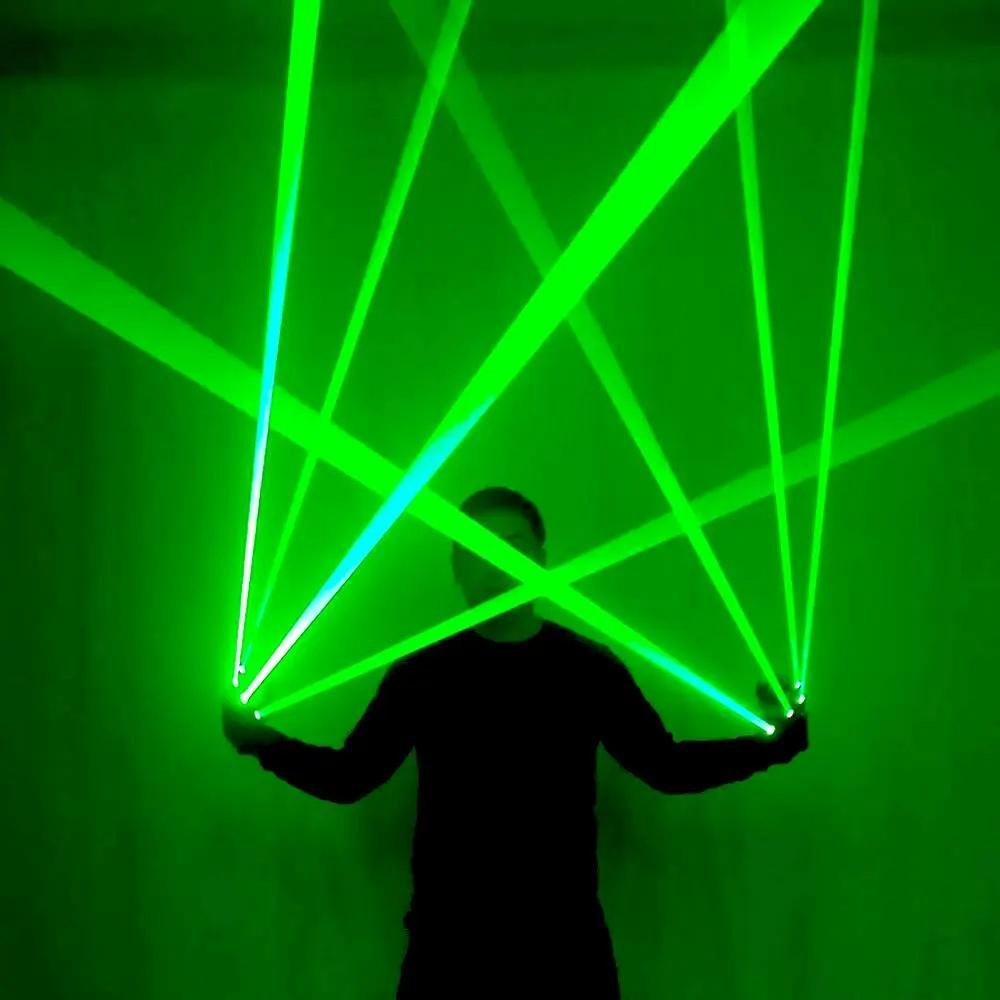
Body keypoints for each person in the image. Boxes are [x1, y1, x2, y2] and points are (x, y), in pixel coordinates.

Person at [222, 486, 808, 998]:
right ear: (457, 569)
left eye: (514, 545)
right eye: (478, 548)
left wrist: (771, 746)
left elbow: (666, 766)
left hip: (564, 948)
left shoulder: (587, 669)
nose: (498, 561)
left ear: (542, 559)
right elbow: (351, 776)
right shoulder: (421, 675)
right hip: (450, 948)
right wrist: (260, 742)